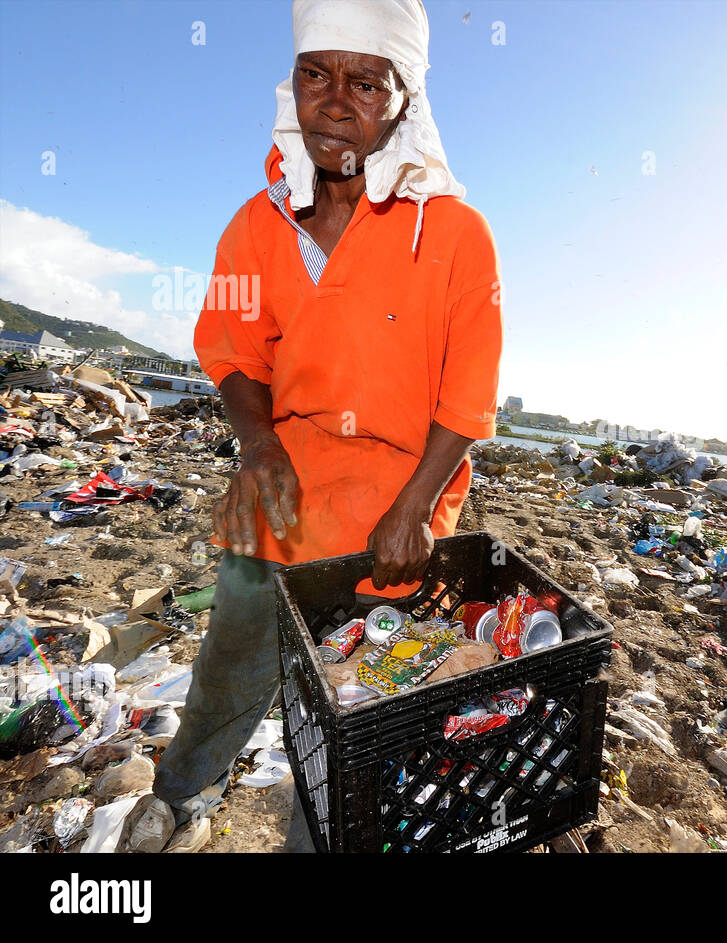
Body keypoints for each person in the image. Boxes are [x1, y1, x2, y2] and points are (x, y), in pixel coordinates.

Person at [117, 0, 502, 853]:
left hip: (393, 508)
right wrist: (256, 446)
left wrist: (414, 506)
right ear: (291, 86)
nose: (335, 101)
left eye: (365, 81)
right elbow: (232, 350)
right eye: (315, 74)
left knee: (353, 697)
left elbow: (470, 396)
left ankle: (321, 827)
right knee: (231, 661)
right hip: (279, 487)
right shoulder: (260, 225)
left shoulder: (454, 236)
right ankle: (182, 793)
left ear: (404, 99)